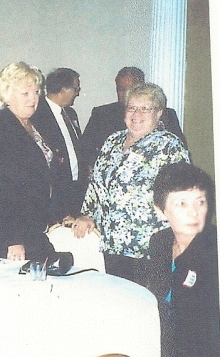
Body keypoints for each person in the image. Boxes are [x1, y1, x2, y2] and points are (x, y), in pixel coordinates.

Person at [73, 82, 189, 280]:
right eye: (132, 107)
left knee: (148, 304)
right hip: (112, 242)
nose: (137, 114)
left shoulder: (169, 146)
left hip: (151, 247)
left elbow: (183, 196)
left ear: (159, 113)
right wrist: (87, 214)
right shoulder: (112, 141)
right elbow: (97, 183)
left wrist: (182, 240)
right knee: (120, 302)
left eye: (145, 108)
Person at [138, 162, 220, 357]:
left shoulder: (212, 251)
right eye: (181, 203)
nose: (194, 213)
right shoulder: (160, 243)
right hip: (163, 354)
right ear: (161, 210)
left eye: (200, 202)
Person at [0, 62, 58, 262]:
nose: (33, 98)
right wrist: (12, 239)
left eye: (36, 92)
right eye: (25, 93)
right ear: (7, 95)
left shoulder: (29, 124)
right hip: (9, 231)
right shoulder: (0, 126)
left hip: (31, 227)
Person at [81, 66, 186, 170]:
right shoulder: (102, 115)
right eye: (121, 89)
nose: (126, 93)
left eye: (145, 108)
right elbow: (85, 149)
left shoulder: (167, 119)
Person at [31, 67, 87, 219]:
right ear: (63, 89)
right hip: (55, 193)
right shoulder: (37, 115)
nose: (77, 93)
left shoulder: (70, 113)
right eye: (75, 89)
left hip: (77, 190)